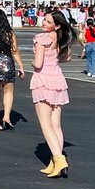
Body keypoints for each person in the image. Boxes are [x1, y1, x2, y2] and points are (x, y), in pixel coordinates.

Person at [33, 11, 73, 179]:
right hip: (57, 79)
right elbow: (66, 58)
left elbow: (38, 63)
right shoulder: (62, 38)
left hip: (43, 79)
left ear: (56, 25)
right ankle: (55, 161)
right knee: (56, 125)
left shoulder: (41, 38)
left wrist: (34, 60)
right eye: (44, 19)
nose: (44, 23)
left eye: (48, 21)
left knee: (46, 124)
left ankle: (58, 158)